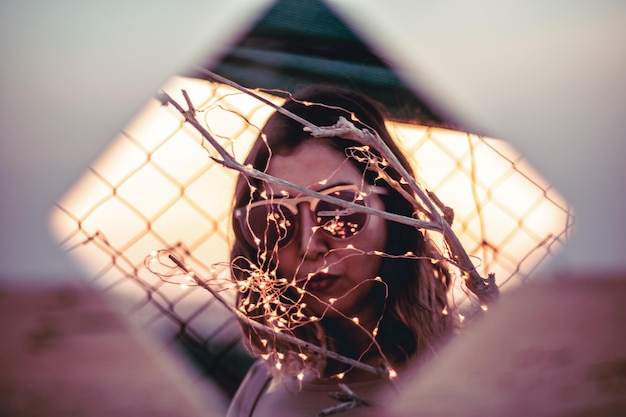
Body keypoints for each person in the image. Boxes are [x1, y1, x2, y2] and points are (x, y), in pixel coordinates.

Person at [226, 85, 454, 417]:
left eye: (338, 211)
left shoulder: (463, 374)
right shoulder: (263, 387)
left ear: (396, 212)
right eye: (276, 220)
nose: (309, 246)